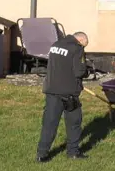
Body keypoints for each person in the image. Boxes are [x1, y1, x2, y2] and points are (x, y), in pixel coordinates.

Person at [37, 30, 90, 161]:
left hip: (52, 90)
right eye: (85, 45)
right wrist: (87, 72)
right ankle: (73, 152)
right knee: (74, 122)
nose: (84, 47)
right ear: (81, 40)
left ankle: (41, 155)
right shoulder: (77, 49)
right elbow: (79, 71)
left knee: (49, 124)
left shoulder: (56, 45)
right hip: (69, 93)